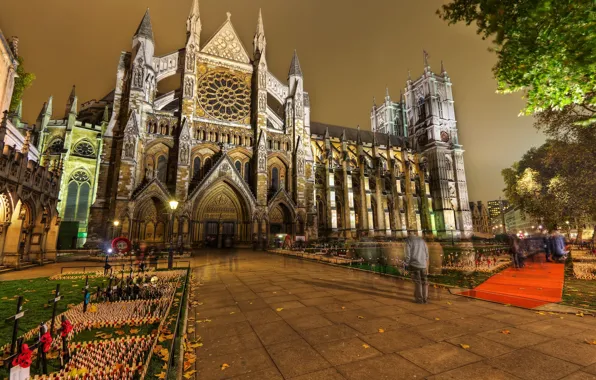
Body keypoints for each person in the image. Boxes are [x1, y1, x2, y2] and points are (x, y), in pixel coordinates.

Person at [405, 232, 429, 304]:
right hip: (423, 265)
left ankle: (419, 299)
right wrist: (426, 264)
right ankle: (425, 299)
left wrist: (406, 265)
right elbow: (427, 254)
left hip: (414, 265)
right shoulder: (422, 240)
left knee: (418, 282)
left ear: (409, 234)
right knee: (424, 282)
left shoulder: (408, 241)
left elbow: (408, 255)